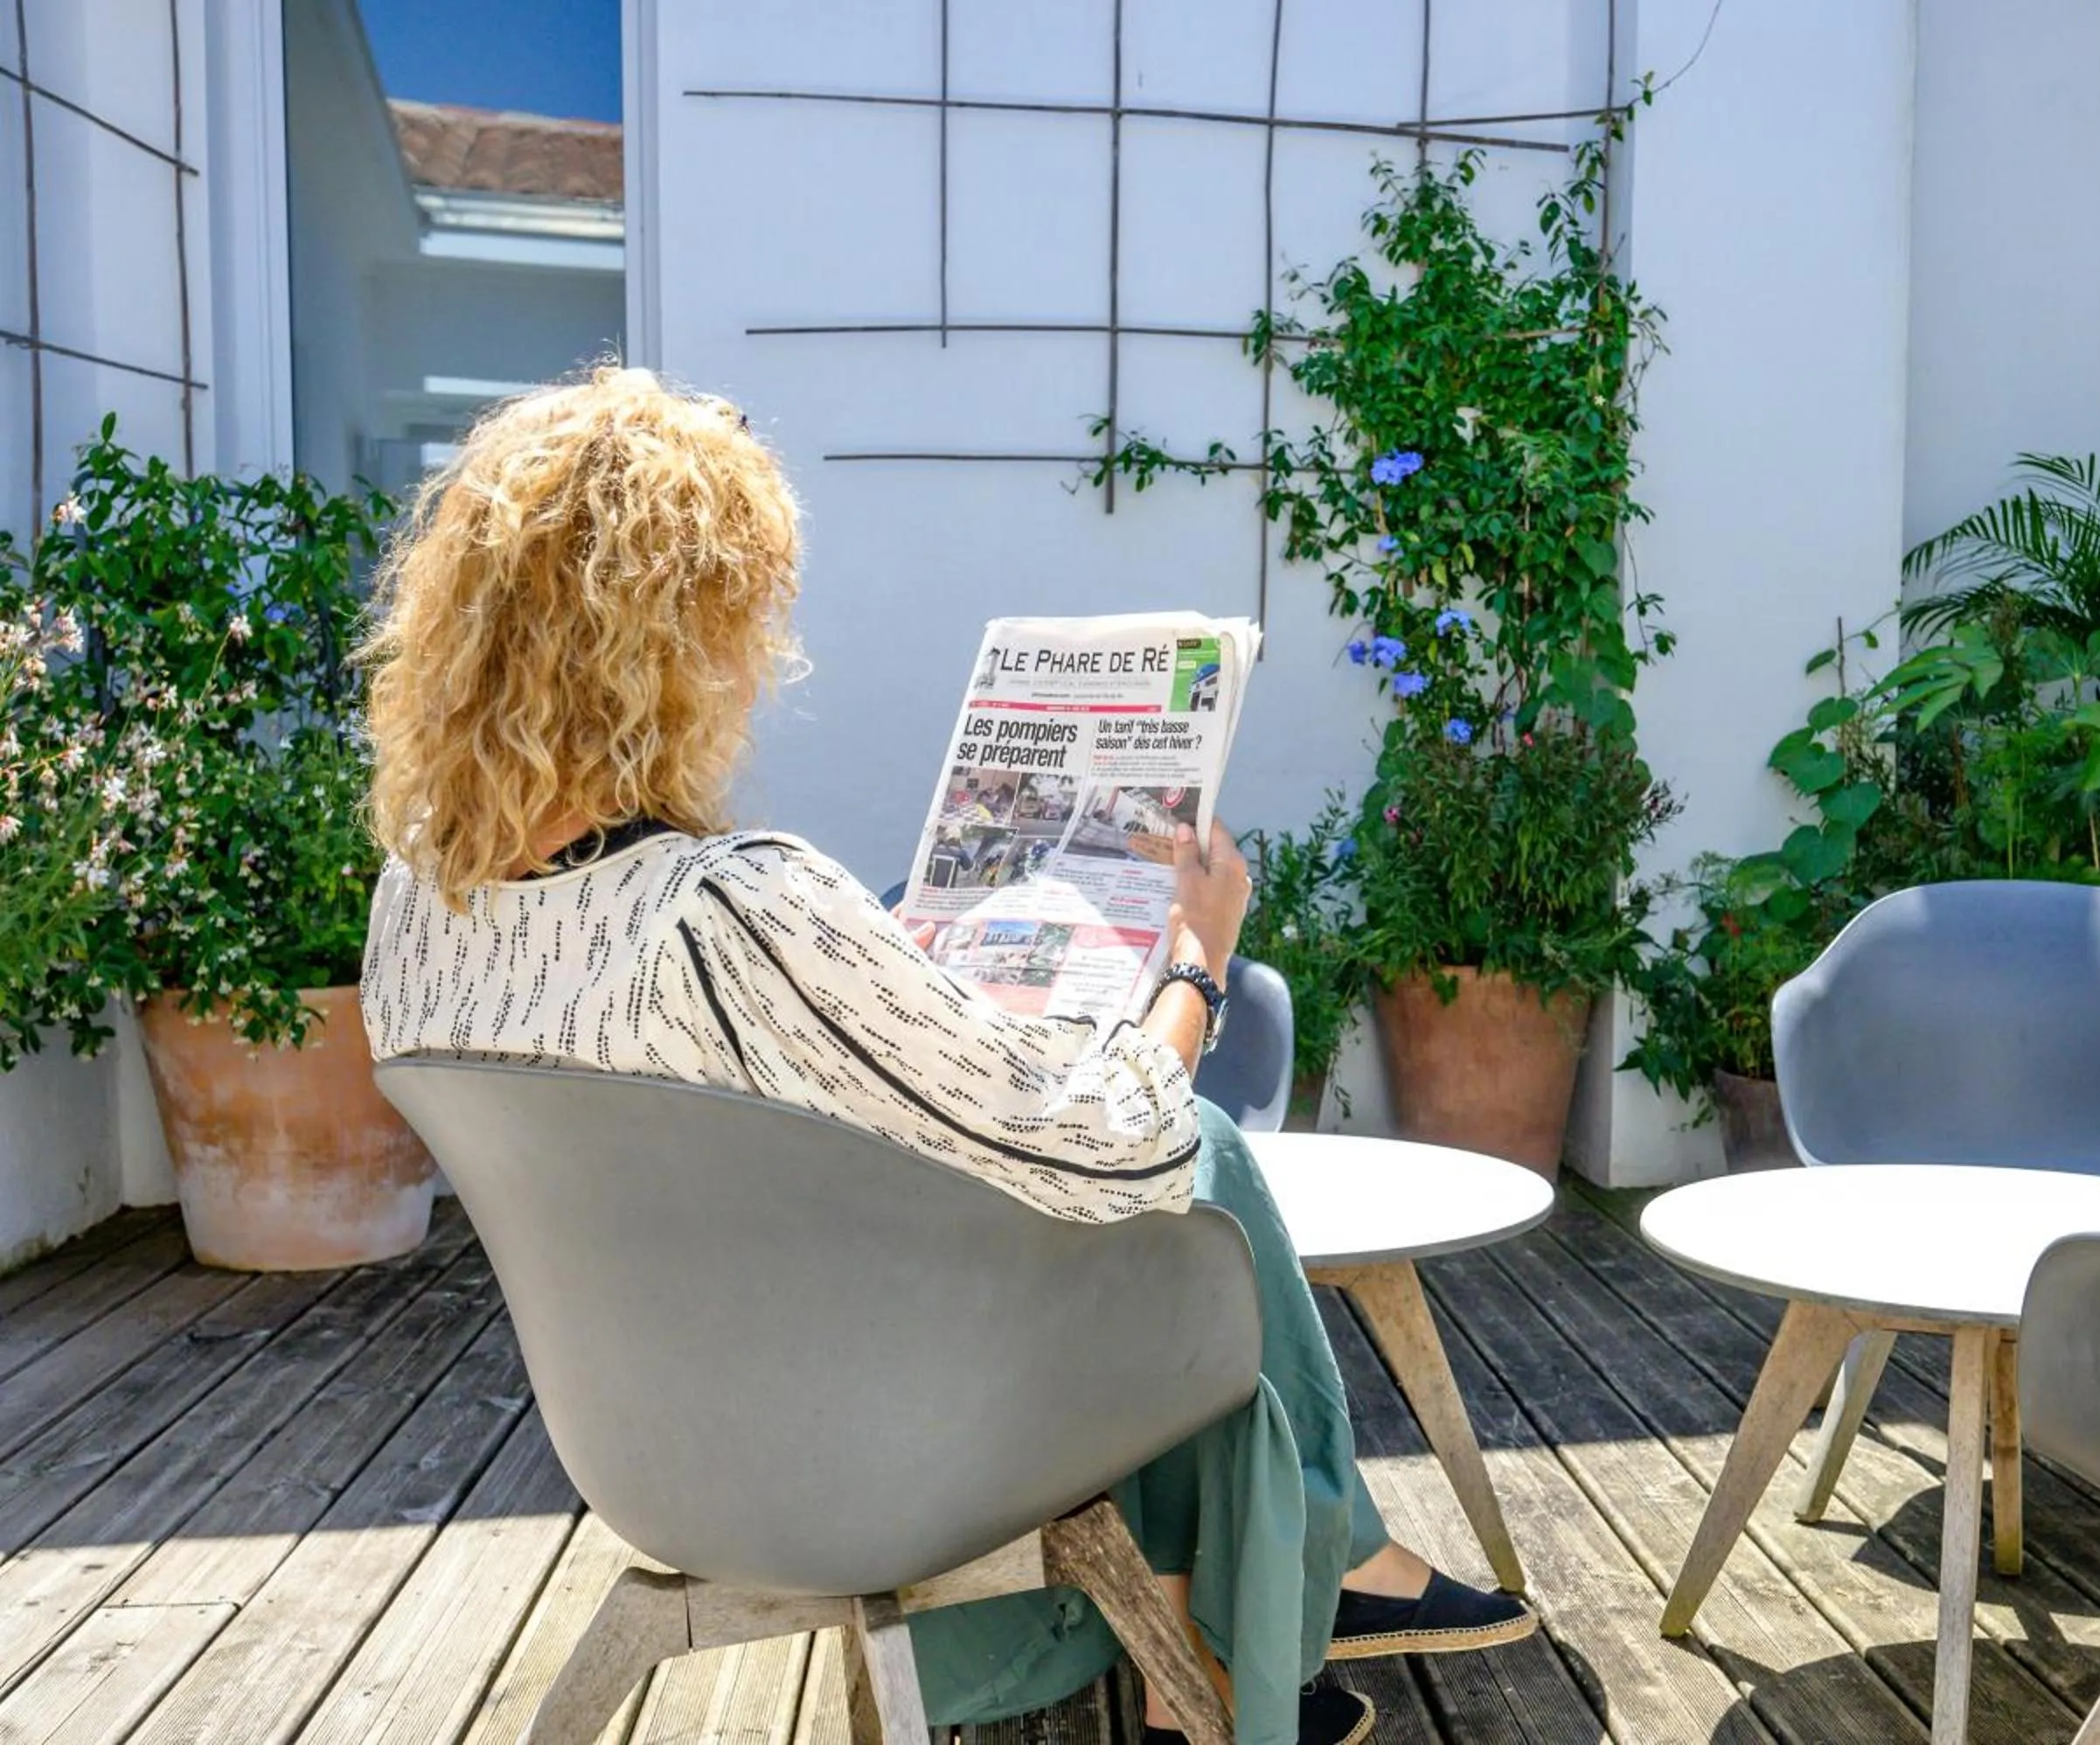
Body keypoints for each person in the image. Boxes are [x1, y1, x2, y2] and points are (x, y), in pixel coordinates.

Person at [355, 367, 1533, 1745]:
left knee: (1069, 1196)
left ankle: (1205, 1649)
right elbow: (1114, 1142)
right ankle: (1305, 1575)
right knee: (1179, 1165)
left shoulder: (412, 911)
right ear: (681, 646)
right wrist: (1195, 957)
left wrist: (912, 992)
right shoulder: (733, 905)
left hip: (650, 1450)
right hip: (870, 1447)